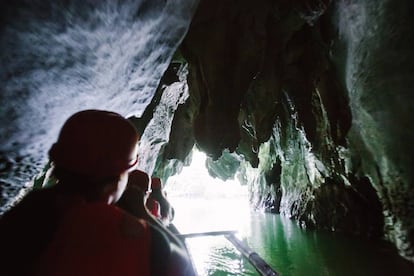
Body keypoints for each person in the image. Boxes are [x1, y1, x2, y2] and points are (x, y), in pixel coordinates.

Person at [0, 109, 195, 276]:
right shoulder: (106, 224)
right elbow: (181, 266)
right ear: (118, 178)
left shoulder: (33, 207)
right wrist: (140, 210)